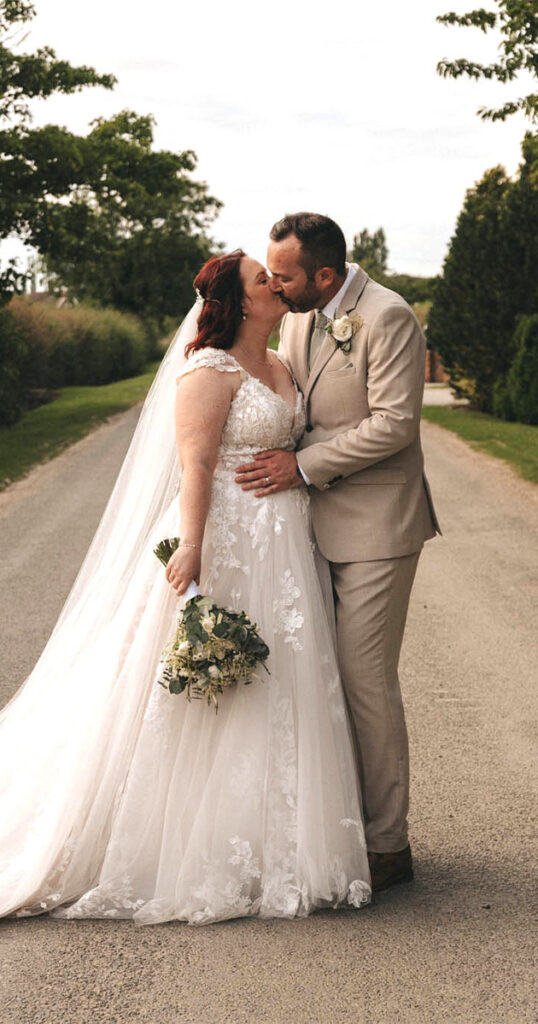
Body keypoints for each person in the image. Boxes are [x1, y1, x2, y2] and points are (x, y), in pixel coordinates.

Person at [0, 250, 371, 926]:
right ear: (240, 301)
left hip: (286, 546)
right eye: (265, 280)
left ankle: (281, 846)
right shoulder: (208, 369)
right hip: (226, 539)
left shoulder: (281, 363)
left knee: (282, 681)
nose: (276, 285)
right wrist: (194, 545)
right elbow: (195, 462)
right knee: (210, 684)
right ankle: (175, 846)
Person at [235, 214, 441, 891]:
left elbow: (395, 424)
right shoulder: (298, 312)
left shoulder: (388, 317)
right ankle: (337, 828)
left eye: (285, 275)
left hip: (378, 525)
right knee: (316, 677)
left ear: (325, 274)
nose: (274, 284)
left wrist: (302, 467)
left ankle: (388, 847)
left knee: (364, 680)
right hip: (304, 528)